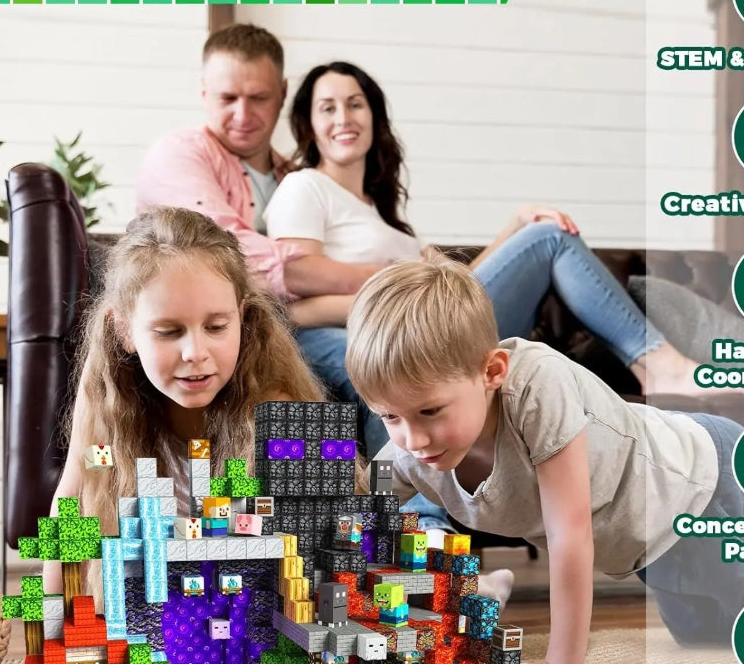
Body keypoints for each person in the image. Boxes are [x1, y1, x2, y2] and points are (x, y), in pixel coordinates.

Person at [343, 258, 744, 664]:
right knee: (712, 645)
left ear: (491, 372)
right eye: (389, 416)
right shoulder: (411, 452)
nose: (412, 438)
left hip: (715, 490)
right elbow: (356, 514)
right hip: (651, 546)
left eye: (429, 413)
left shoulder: (538, 386)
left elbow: (571, 535)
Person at [265, 60, 720, 465]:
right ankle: (657, 363)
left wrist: (514, 226)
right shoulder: (304, 187)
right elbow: (296, 278)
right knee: (549, 239)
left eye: (355, 104)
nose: (343, 117)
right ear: (308, 124)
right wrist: (389, 285)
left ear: (374, 116)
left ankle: (653, 363)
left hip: (435, 322)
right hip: (398, 331)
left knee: (540, 233)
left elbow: (456, 282)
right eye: (327, 107)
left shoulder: (388, 219)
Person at [49, 207, 328, 593]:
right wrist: (53, 630)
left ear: (242, 318)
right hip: (153, 605)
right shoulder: (106, 391)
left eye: (216, 327)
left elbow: (314, 563)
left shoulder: (279, 412)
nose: (195, 352)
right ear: (124, 330)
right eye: (168, 331)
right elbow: (73, 497)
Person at [135, 24, 309, 298]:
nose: (242, 115)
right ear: (204, 93)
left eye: (258, 98)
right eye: (228, 98)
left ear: (283, 93)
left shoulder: (297, 177)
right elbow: (220, 251)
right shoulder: (175, 155)